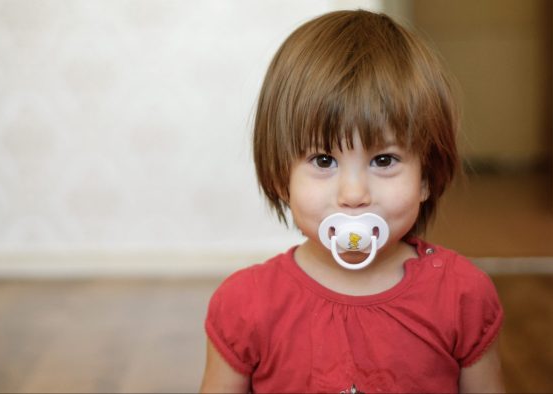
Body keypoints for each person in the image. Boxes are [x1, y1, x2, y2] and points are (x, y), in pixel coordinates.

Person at [200, 9, 504, 393]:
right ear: (281, 176)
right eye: (324, 161)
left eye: (384, 160)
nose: (354, 195)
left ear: (425, 177)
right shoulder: (244, 305)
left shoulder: (464, 295)